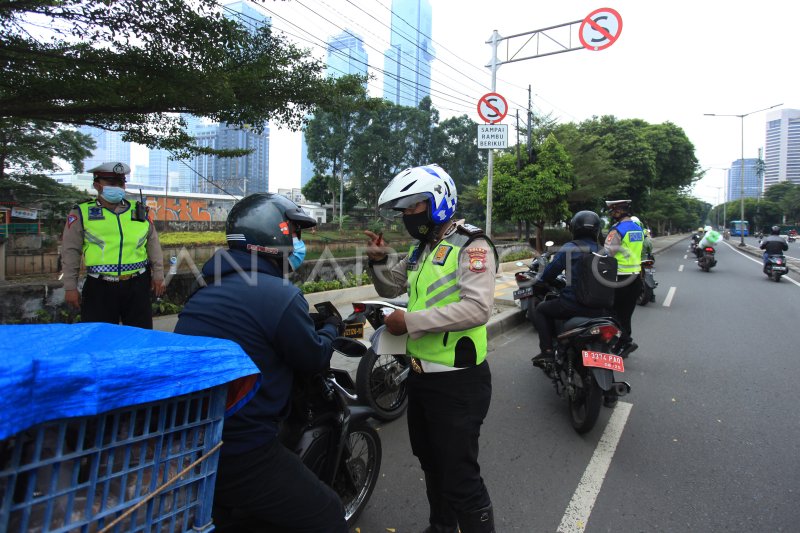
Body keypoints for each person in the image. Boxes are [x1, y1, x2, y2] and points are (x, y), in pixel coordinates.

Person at [174, 193, 348, 532]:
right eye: (295, 234)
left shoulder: (205, 288)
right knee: (329, 516)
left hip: (194, 438)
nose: (299, 244)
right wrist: (330, 328)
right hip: (244, 448)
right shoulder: (279, 295)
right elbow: (311, 358)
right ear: (275, 233)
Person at [364, 164, 497, 533]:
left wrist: (409, 322)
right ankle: (440, 528)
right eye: (403, 211)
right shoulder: (422, 249)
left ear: (437, 201)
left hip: (459, 383)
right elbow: (393, 289)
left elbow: (477, 309)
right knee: (431, 463)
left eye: (413, 208)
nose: (408, 217)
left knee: (460, 476)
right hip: (421, 378)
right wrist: (378, 262)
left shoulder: (472, 245)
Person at [61, 162, 165, 328]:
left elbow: (153, 243)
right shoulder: (81, 212)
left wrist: (158, 274)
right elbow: (71, 251)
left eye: (120, 183)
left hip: (137, 285)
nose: (117, 187)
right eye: (111, 183)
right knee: (99, 339)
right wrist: (70, 287)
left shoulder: (138, 211)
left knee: (140, 336)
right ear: (97, 185)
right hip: (100, 288)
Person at [531, 210, 607, 367]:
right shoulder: (604, 251)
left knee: (540, 309)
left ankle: (547, 352)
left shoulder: (570, 248)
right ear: (597, 229)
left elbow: (549, 273)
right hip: (601, 309)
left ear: (574, 228)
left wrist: (541, 281)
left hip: (572, 305)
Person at [603, 199, 643, 358]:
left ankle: (625, 341)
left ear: (619, 211)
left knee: (612, 312)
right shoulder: (637, 228)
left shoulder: (617, 230)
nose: (612, 214)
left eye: (613, 211)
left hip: (619, 278)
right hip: (635, 277)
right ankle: (622, 344)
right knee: (626, 314)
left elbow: (607, 253)